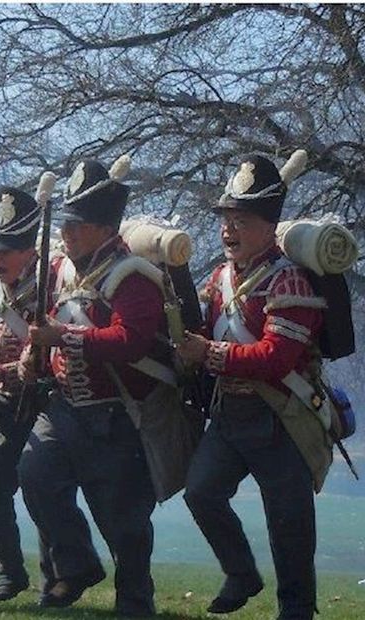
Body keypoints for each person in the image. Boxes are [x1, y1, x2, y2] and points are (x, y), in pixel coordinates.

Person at [178, 152, 328, 620]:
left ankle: (297, 610)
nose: (228, 231)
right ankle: (241, 573)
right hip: (229, 414)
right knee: (201, 492)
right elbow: (206, 329)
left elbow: (274, 358)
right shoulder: (221, 278)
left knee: (289, 522)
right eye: (226, 219)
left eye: (240, 220)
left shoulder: (290, 282)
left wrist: (209, 354)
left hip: (281, 416)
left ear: (267, 226)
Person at [18, 157, 165, 616]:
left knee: (123, 520)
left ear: (104, 228)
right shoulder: (62, 271)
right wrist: (33, 354)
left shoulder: (133, 275)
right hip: (63, 406)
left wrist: (62, 338)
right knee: (34, 476)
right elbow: (45, 328)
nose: (67, 233)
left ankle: (135, 601)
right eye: (66, 224)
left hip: (114, 413)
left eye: (78, 226)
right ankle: (78, 564)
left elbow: (130, 341)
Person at [0, 180, 85, 603]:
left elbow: (43, 348)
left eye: (7, 248)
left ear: (30, 249)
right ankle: (7, 570)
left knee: (39, 483)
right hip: (0, 402)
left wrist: (2, 371)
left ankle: (55, 578)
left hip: (42, 399)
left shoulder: (53, 284)